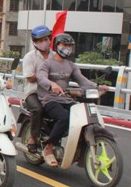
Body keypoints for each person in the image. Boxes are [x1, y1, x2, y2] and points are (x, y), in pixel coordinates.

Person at [36, 33, 108, 167]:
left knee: (82, 116)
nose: (67, 48)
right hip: (49, 99)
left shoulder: (71, 65)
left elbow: (82, 80)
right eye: (64, 45)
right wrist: (52, 84)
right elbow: (41, 77)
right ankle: (49, 148)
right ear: (57, 46)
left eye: (69, 46)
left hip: (66, 99)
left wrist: (98, 87)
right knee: (63, 117)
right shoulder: (47, 63)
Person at [21, 25, 54, 153]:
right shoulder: (30, 57)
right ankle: (33, 138)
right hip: (33, 93)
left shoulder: (55, 56)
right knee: (38, 109)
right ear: (35, 43)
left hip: (51, 93)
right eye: (40, 41)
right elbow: (30, 78)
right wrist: (46, 77)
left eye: (45, 39)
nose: (44, 43)